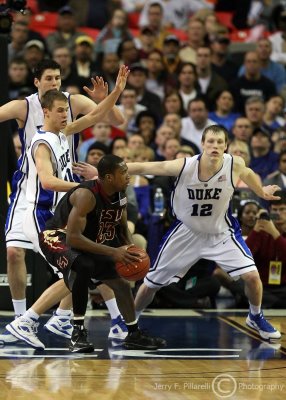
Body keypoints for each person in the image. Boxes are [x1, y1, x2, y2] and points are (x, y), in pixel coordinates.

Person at [0, 59, 124, 343]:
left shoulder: (63, 131)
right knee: (79, 266)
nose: (67, 115)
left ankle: (53, 319)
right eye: (61, 112)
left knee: (84, 263)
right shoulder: (41, 141)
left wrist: (115, 92)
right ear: (45, 111)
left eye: (67, 111)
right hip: (38, 210)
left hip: (57, 205)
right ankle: (30, 320)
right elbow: (47, 181)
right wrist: (90, 187)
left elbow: (95, 118)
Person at [126, 124, 281, 340]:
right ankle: (130, 323)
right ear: (202, 144)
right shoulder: (185, 166)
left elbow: (247, 173)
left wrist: (261, 191)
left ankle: (255, 316)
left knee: (253, 277)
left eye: (219, 142)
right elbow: (148, 168)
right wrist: (109, 170)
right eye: (210, 141)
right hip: (187, 232)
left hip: (221, 233)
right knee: (150, 284)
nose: (215, 146)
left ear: (226, 146)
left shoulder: (233, 164)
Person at [8, 155, 165, 352]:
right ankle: (78, 333)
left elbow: (122, 229)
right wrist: (114, 252)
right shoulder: (87, 195)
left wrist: (131, 252)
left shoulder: (120, 194)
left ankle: (133, 333)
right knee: (83, 266)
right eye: (123, 172)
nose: (128, 176)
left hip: (88, 239)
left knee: (121, 284)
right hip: (57, 237)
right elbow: (73, 238)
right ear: (108, 177)